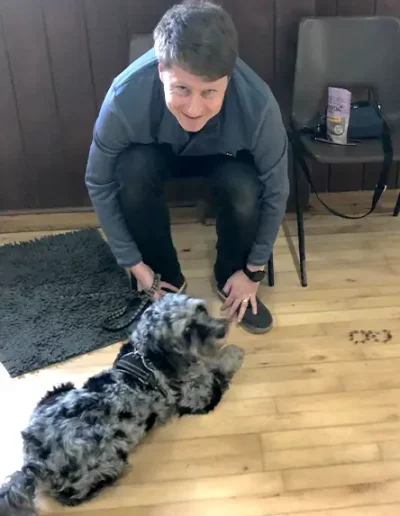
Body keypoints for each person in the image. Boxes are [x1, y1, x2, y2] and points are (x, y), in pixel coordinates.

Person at [85, 0, 289, 334]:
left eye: (210, 91)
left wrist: (253, 272)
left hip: (224, 157)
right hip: (156, 153)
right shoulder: (124, 95)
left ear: (229, 77)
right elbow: (98, 181)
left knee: (247, 190)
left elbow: (277, 189)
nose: (194, 108)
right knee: (130, 172)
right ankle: (162, 279)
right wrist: (134, 265)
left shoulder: (259, 102)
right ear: (160, 69)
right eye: (182, 88)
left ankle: (231, 278)